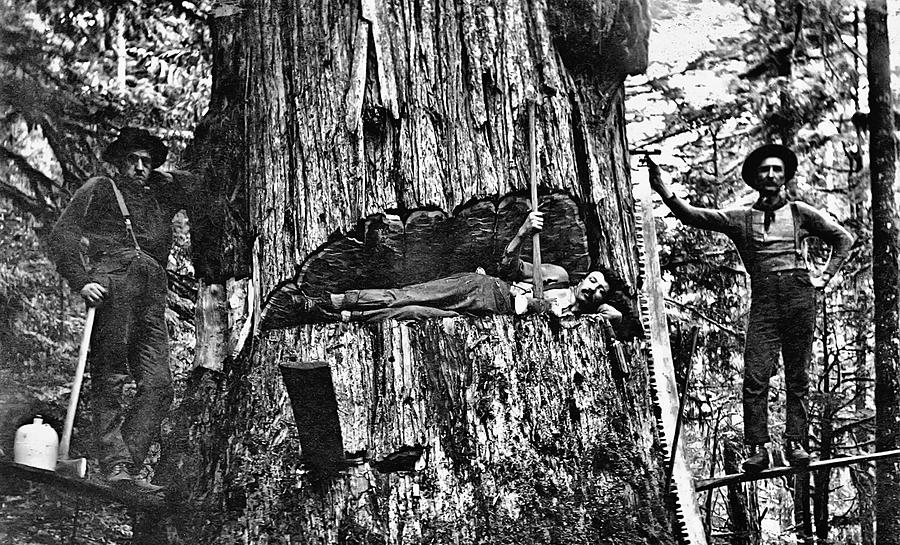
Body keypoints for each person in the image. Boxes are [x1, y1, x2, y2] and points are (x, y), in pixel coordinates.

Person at [647, 144, 853, 472]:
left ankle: (796, 443)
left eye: (777, 170)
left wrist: (824, 277)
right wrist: (664, 190)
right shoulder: (740, 218)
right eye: (764, 170)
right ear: (755, 179)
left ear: (785, 176)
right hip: (766, 302)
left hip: (800, 297)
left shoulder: (801, 212)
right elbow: (695, 216)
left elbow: (843, 239)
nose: (771, 175)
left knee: (797, 374)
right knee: (756, 375)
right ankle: (758, 449)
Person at [50, 127, 200, 488]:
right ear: (118, 163)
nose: (138, 167)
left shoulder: (159, 197)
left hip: (151, 291)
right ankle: (114, 461)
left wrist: (166, 176)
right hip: (113, 284)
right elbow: (63, 234)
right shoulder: (100, 189)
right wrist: (81, 280)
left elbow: (198, 185)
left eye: (146, 162)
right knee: (111, 375)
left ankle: (126, 464)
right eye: (131, 160)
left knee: (159, 385)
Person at [261, 212, 643, 340]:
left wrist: (610, 315)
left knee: (411, 315)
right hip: (483, 290)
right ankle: (322, 303)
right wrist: (524, 232)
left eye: (600, 290)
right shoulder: (557, 277)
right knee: (405, 295)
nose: (593, 287)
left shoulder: (580, 321)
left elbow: (618, 321)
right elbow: (508, 268)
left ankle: (340, 317)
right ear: (586, 276)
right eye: (594, 279)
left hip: (482, 324)